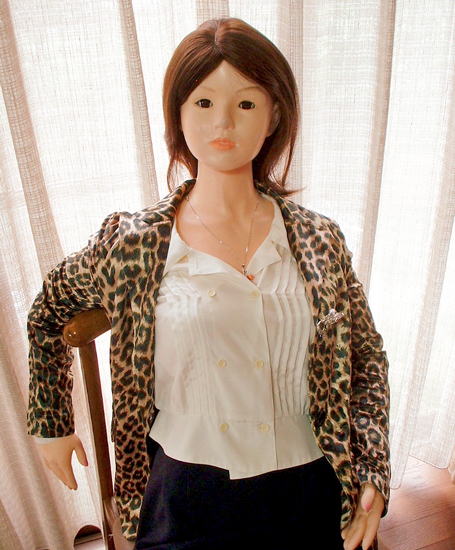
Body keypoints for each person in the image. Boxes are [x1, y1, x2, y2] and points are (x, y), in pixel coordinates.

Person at [27, 17, 390, 550]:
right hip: (188, 493)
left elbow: (366, 359)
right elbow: (47, 312)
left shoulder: (319, 240)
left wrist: (373, 471)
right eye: (202, 102)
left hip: (312, 484)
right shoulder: (134, 244)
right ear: (178, 115)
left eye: (246, 103)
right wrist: (51, 423)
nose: (224, 120)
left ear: (274, 115)